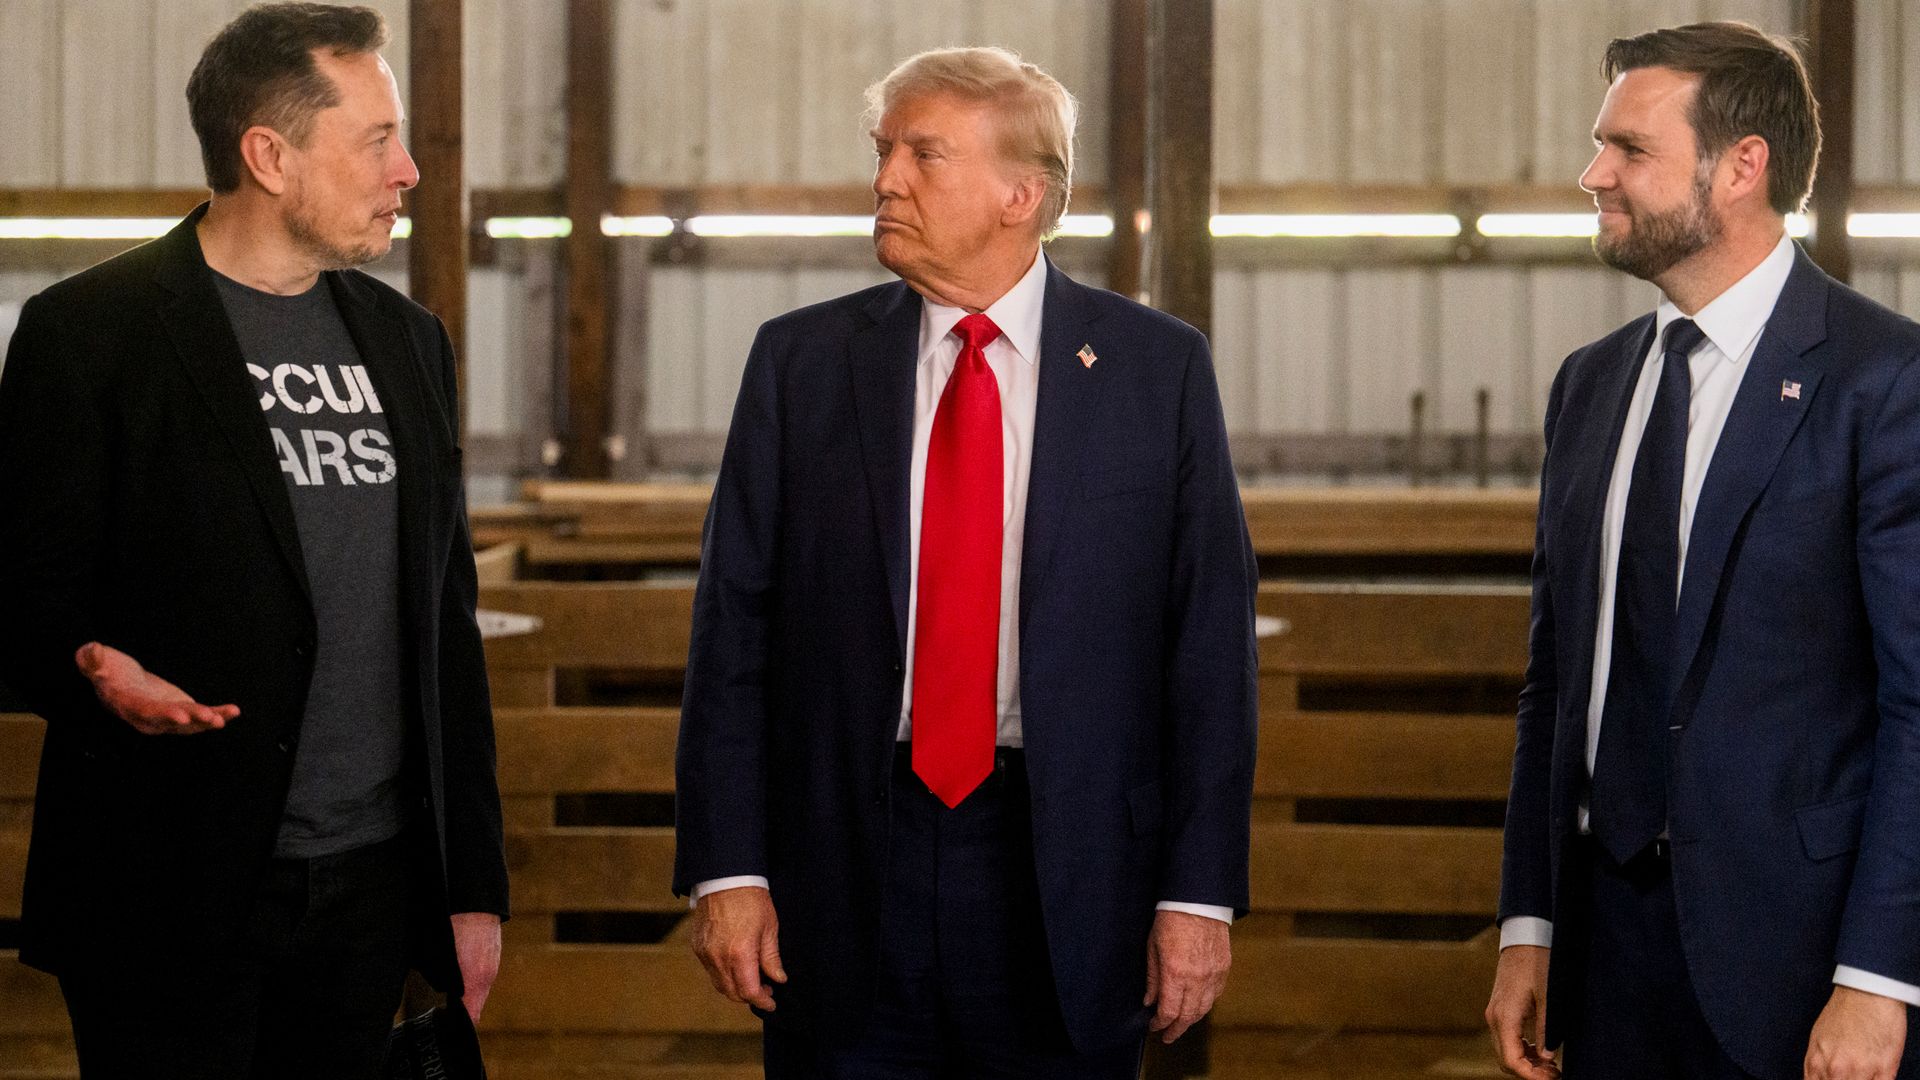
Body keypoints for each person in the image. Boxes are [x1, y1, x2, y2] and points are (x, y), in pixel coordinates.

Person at [671, 45, 1258, 1078]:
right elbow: (734, 634)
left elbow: (1207, 647)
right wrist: (727, 868)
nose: (886, 178)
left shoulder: (1154, 368)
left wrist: (1196, 895)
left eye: (923, 155)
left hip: (1071, 871)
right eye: (884, 150)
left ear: (1019, 195)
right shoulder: (801, 364)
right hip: (847, 857)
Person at [0, 5, 507, 1076]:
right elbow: (19, 596)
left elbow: (442, 631)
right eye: (376, 139)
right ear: (269, 155)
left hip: (372, 890)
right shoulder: (90, 334)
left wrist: (471, 892)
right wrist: (86, 665)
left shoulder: (409, 345)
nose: (407, 169)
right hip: (165, 889)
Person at [1487, 20, 1920, 1080]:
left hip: (1798, 964)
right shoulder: (1590, 386)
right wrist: (1529, 924)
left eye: (1630, 149)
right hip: (1601, 953)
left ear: (1742, 167)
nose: (1595, 174)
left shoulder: (1884, 382)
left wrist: (1878, 979)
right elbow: (1555, 683)